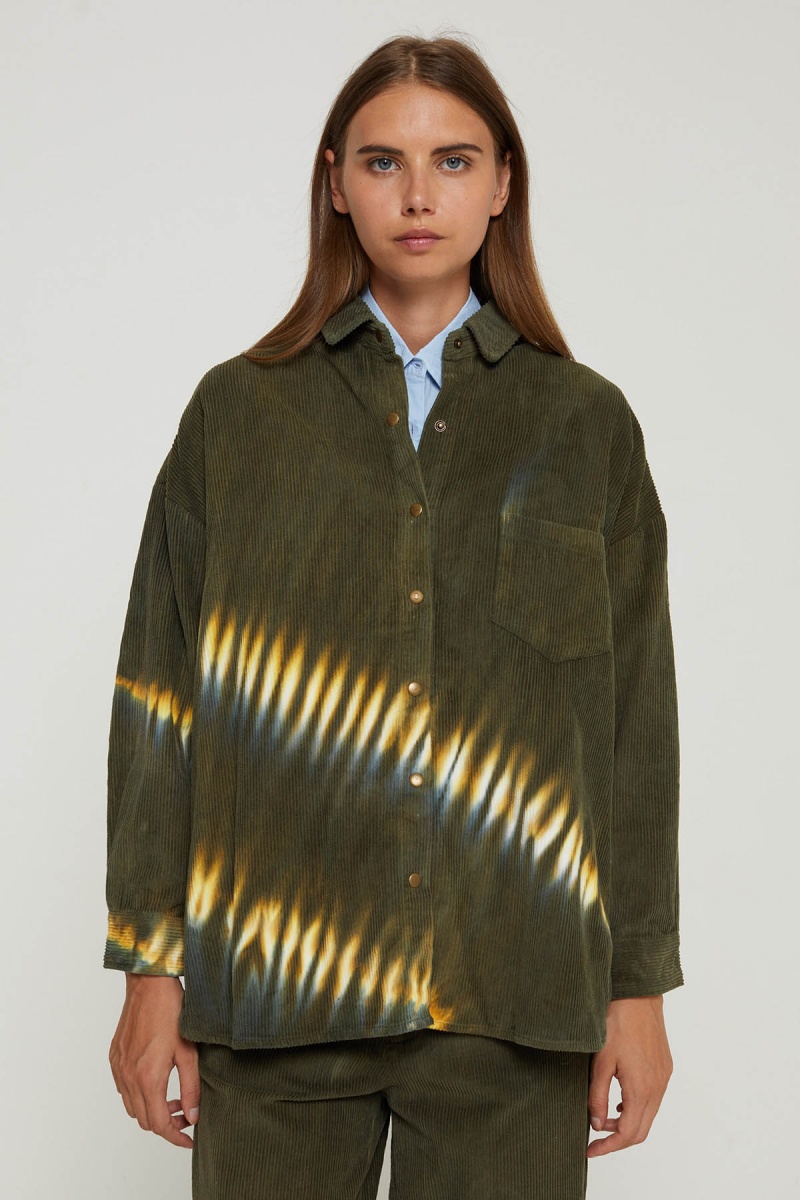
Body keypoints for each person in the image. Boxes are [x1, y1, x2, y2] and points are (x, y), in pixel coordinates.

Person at [104, 32, 683, 1199]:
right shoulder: (237, 416)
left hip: (510, 999)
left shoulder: (583, 427)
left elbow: (631, 730)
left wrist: (635, 987)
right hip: (278, 994)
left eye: (453, 160)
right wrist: (149, 968)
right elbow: (159, 700)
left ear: (502, 183)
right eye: (382, 162)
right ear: (335, 183)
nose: (418, 195)